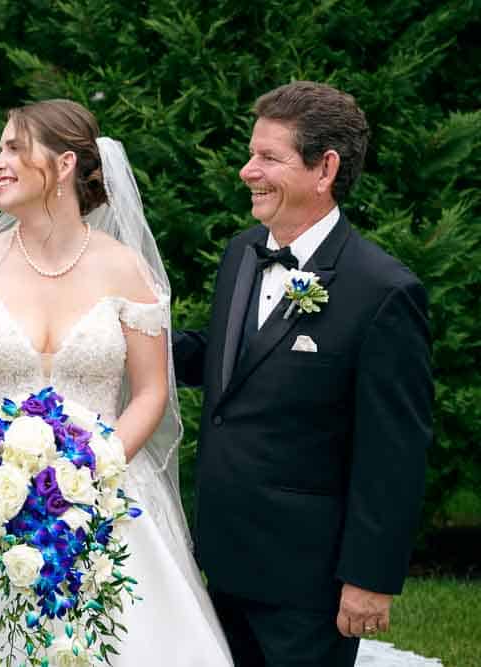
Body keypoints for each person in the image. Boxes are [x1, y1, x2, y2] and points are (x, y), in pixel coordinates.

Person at [0, 99, 232, 666]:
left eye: (13, 147)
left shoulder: (125, 269)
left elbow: (153, 390)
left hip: (105, 494)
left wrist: (95, 465)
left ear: (62, 166)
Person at [174, 81, 432, 666]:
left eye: (268, 157)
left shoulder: (383, 291)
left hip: (307, 581)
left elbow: (394, 451)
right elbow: (230, 358)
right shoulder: (242, 253)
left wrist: (371, 578)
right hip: (221, 557)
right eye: (250, 153)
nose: (247, 171)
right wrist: (121, 338)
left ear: (325, 169)